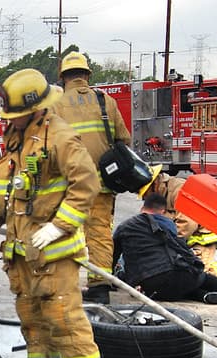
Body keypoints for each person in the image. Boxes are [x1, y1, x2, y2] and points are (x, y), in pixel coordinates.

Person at [0, 68, 104, 358]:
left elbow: (86, 185)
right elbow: (12, 185)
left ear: (36, 106)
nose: (11, 120)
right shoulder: (19, 136)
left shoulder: (60, 137)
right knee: (33, 321)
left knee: (64, 320)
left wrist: (59, 227)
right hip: (22, 252)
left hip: (54, 253)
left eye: (16, 114)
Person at [51, 51, 131, 304]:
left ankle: (62, 283)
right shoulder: (105, 100)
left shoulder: (57, 105)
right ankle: (99, 286)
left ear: (64, 78)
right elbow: (124, 139)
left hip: (72, 184)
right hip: (102, 183)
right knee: (99, 233)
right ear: (86, 75)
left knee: (64, 231)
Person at [113, 193, 217, 304]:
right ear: (162, 211)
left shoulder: (124, 227)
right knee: (201, 278)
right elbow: (179, 248)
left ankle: (204, 296)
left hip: (150, 287)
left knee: (178, 290)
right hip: (174, 277)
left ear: (142, 208)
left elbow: (113, 255)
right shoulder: (164, 223)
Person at [138, 165, 217, 284]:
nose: (144, 197)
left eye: (145, 193)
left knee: (199, 276)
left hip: (202, 238)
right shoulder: (160, 196)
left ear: (155, 184)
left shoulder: (178, 189)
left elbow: (187, 224)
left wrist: (168, 245)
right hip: (184, 241)